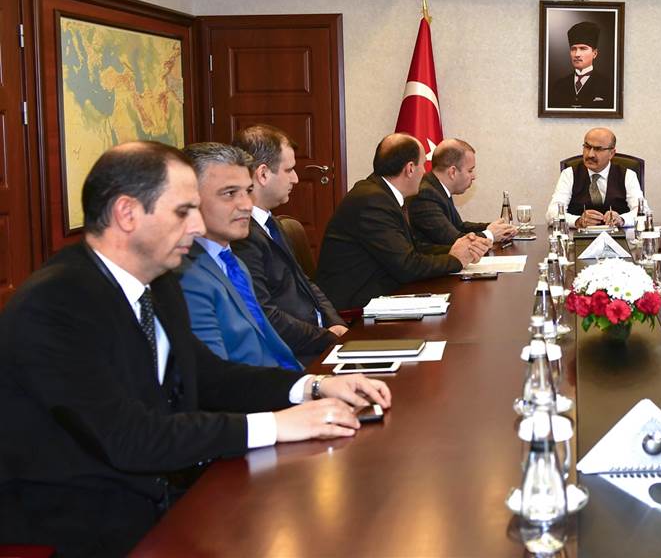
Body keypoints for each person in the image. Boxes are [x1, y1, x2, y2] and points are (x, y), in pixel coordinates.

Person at [0, 142, 390, 556]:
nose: (198, 226)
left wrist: (312, 387)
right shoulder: (56, 303)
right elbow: (129, 437)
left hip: (161, 497)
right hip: (78, 528)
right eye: (183, 211)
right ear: (127, 213)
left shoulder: (159, 281)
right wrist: (275, 426)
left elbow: (207, 375)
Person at [316, 133, 489, 310]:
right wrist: (455, 259)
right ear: (410, 169)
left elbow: (411, 249)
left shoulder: (381, 194)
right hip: (354, 305)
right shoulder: (372, 201)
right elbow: (407, 266)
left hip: (377, 292)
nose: (425, 172)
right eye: (423, 165)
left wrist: (457, 249)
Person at [177, 143, 302, 369]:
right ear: (190, 200)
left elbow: (269, 347)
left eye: (248, 191)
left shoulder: (235, 264)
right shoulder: (186, 276)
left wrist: (313, 381)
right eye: (230, 193)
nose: (246, 205)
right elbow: (215, 375)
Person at [231, 124, 347, 364]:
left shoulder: (272, 223)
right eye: (289, 170)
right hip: (294, 356)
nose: (296, 179)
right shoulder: (243, 236)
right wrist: (326, 337)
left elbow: (305, 281)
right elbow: (265, 315)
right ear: (263, 174)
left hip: (320, 343)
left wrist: (336, 323)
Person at [408, 138, 517, 249]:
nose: (474, 176)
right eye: (470, 170)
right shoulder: (425, 195)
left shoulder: (437, 188)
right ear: (452, 172)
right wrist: (490, 234)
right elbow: (453, 240)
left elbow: (459, 227)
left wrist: (494, 228)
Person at [546, 126, 645, 228]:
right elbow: (552, 214)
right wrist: (577, 221)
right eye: (587, 147)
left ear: (611, 153)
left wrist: (622, 220)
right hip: (579, 236)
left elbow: (643, 212)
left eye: (598, 149)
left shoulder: (628, 175)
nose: (590, 154)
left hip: (618, 236)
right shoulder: (569, 174)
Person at [547, 20, 613, 109]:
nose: (577, 54)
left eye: (583, 48)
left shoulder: (608, 86)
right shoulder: (558, 86)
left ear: (595, 53)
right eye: (573, 49)